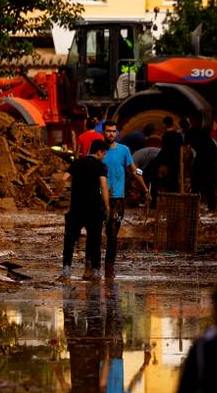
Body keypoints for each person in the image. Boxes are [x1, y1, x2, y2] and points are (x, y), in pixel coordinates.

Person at [103, 122, 150, 277]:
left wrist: (145, 189)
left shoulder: (124, 150)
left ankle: (109, 268)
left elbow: (134, 170)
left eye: (113, 131)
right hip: (99, 198)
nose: (111, 134)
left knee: (112, 233)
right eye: (108, 131)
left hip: (117, 199)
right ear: (103, 132)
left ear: (117, 133)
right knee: (95, 232)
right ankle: (92, 267)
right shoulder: (98, 149)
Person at [60, 138, 110, 281]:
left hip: (76, 208)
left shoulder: (77, 163)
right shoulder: (101, 166)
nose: (104, 156)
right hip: (94, 209)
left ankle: (66, 271)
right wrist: (107, 207)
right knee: (95, 241)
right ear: (99, 152)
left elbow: (63, 179)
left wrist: (57, 193)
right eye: (104, 154)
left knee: (69, 241)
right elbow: (103, 187)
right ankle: (95, 272)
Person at [184, 112, 217, 208]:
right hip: (211, 157)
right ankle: (212, 205)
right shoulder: (204, 130)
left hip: (201, 157)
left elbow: (188, 150)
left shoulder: (190, 132)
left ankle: (193, 206)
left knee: (196, 183)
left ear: (192, 120)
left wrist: (185, 163)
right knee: (209, 183)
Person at [155, 115, 184, 194]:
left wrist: (159, 160)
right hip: (177, 161)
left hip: (168, 162)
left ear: (164, 124)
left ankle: (167, 197)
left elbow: (165, 150)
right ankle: (175, 197)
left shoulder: (166, 136)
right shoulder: (178, 135)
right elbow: (181, 149)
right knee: (175, 181)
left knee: (166, 182)